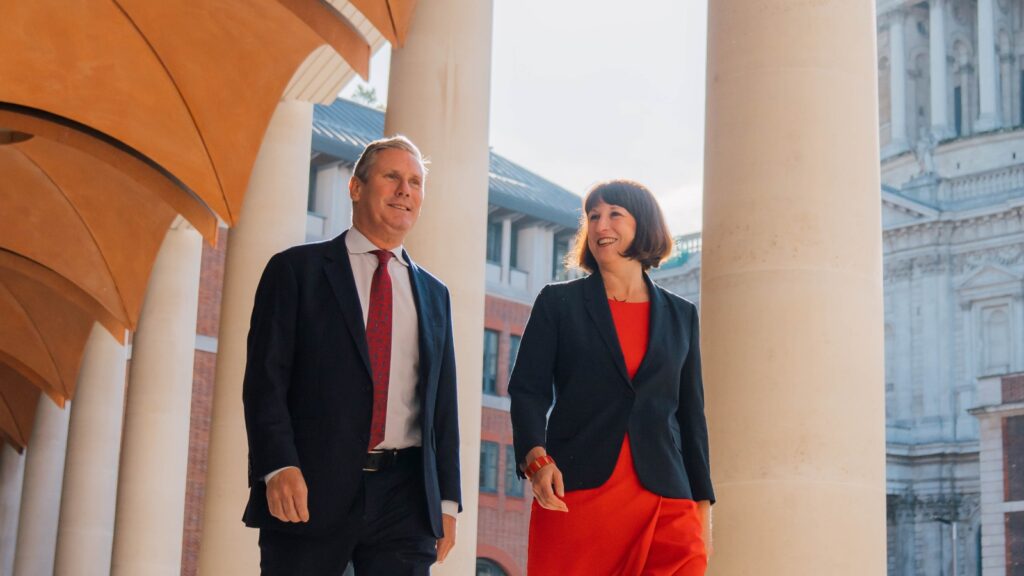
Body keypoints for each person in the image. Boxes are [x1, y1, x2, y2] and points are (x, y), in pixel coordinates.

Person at [241, 136, 461, 575]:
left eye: (416, 182)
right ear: (355, 188)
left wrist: (447, 501)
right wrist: (277, 465)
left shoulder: (435, 294)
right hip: (310, 485)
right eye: (392, 177)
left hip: (406, 495)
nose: (405, 191)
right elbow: (266, 381)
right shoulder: (295, 271)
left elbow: (443, 405)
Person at [509, 179, 714, 575]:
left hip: (667, 500)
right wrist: (536, 459)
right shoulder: (558, 303)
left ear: (645, 225)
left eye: (614, 214)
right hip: (579, 494)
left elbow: (692, 417)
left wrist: (702, 508)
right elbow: (527, 390)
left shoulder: (681, 315)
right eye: (594, 216)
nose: (601, 225)